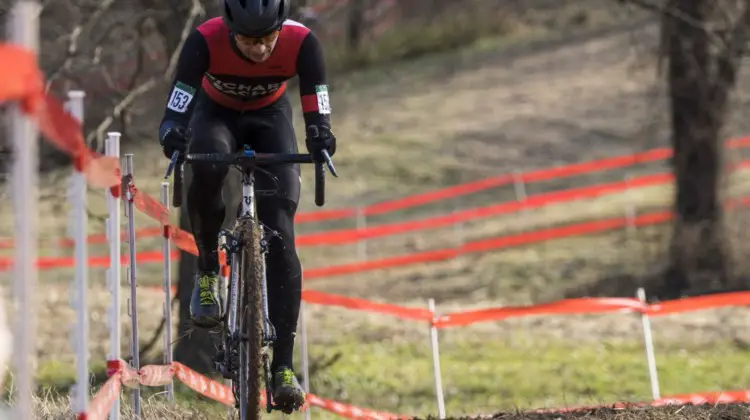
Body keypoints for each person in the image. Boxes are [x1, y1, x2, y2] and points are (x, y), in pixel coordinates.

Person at [156, 0, 336, 412]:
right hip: (214, 115)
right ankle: (206, 269)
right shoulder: (204, 40)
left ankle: (283, 369)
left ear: (281, 27)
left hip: (270, 117)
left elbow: (316, 99)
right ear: (230, 29)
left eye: (267, 39)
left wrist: (321, 135)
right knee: (208, 165)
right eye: (248, 41)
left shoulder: (303, 43)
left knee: (282, 233)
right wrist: (171, 130)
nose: (259, 50)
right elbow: (180, 98)